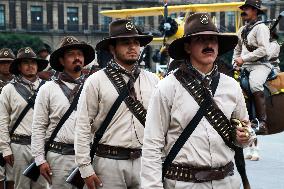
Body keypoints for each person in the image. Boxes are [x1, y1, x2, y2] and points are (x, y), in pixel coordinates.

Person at [141, 13, 255, 189]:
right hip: (183, 183)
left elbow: (245, 130)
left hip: (227, 182)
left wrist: (245, 136)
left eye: (213, 40)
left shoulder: (231, 85)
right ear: (187, 47)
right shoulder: (167, 87)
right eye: (201, 40)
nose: (209, 45)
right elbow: (152, 145)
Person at [74, 19, 159, 189]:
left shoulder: (154, 80)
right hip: (108, 162)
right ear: (112, 48)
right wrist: (85, 168)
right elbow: (82, 126)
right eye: (125, 43)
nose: (133, 47)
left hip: (145, 161)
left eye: (136, 42)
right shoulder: (95, 81)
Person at [31, 36, 95, 189]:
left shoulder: (93, 86)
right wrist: (40, 160)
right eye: (71, 54)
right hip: (58, 157)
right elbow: (38, 126)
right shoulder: (47, 89)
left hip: (88, 156)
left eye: (79, 54)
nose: (77, 58)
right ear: (61, 60)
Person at [0, 47, 48, 189]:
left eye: (33, 62)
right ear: (19, 67)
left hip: (42, 145)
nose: (30, 66)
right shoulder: (9, 89)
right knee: (20, 186)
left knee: (42, 186)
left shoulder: (48, 88)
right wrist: (5, 149)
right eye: (25, 63)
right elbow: (2, 120)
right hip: (19, 146)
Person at [233, 0, 271, 134]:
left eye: (247, 9)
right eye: (243, 9)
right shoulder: (242, 30)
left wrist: (243, 59)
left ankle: (262, 123)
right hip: (244, 66)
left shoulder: (261, 28)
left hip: (260, 65)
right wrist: (235, 63)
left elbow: (264, 50)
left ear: (255, 11)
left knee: (255, 85)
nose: (243, 11)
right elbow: (237, 49)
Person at [0, 48, 15, 189]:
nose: (6, 66)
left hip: (14, 133)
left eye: (9, 63)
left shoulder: (19, 85)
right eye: (3, 63)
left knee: (12, 175)